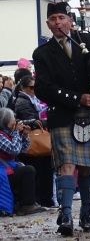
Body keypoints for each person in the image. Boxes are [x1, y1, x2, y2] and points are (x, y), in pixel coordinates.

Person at [33, 1, 90, 236]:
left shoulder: (88, 41)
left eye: (62, 17)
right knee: (66, 165)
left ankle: (87, 214)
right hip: (63, 114)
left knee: (86, 168)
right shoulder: (42, 53)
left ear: (71, 20)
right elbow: (44, 88)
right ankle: (66, 216)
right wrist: (77, 98)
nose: (58, 22)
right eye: (53, 19)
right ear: (48, 24)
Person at [13, 74, 55, 208]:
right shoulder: (23, 101)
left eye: (35, 87)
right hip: (31, 140)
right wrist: (44, 122)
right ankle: (41, 199)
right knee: (39, 172)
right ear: (23, 88)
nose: (34, 90)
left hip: (35, 139)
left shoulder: (33, 100)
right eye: (31, 87)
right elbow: (30, 120)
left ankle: (44, 199)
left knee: (43, 171)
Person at [0, 108, 46, 216]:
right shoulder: (1, 136)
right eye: (13, 119)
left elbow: (23, 149)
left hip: (7, 168)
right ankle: (26, 205)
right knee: (28, 170)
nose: (15, 121)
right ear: (6, 122)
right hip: (2, 171)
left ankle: (26, 203)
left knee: (28, 169)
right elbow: (14, 150)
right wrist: (17, 132)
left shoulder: (9, 134)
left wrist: (24, 136)